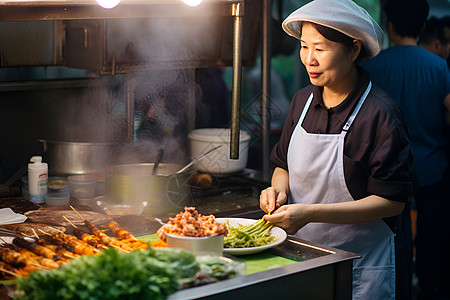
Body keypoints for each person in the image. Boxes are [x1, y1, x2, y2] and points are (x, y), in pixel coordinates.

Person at [259, 1, 414, 299]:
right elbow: (283, 165)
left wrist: (310, 213)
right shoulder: (301, 102)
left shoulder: (380, 115)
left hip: (361, 265)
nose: (309, 59)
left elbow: (392, 202)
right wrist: (276, 191)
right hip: (302, 256)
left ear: (354, 50)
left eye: (320, 48)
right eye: (304, 47)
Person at [363, 1, 450, 300]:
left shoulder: (371, 67)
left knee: (391, 240)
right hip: (431, 170)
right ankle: (429, 291)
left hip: (384, 176)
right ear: (423, 26)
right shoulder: (439, 66)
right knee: (431, 240)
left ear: (388, 24)